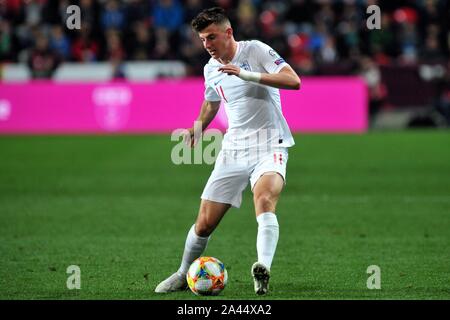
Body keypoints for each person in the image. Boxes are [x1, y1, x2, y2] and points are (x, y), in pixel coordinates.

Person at [155, 7, 300, 295]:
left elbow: (293, 81)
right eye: (202, 40)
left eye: (211, 37)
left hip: (270, 145)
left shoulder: (256, 51)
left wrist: (248, 75)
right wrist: (197, 128)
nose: (207, 45)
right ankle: (184, 273)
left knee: (265, 199)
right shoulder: (211, 69)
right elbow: (211, 102)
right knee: (204, 223)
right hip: (234, 149)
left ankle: (263, 269)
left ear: (228, 32)